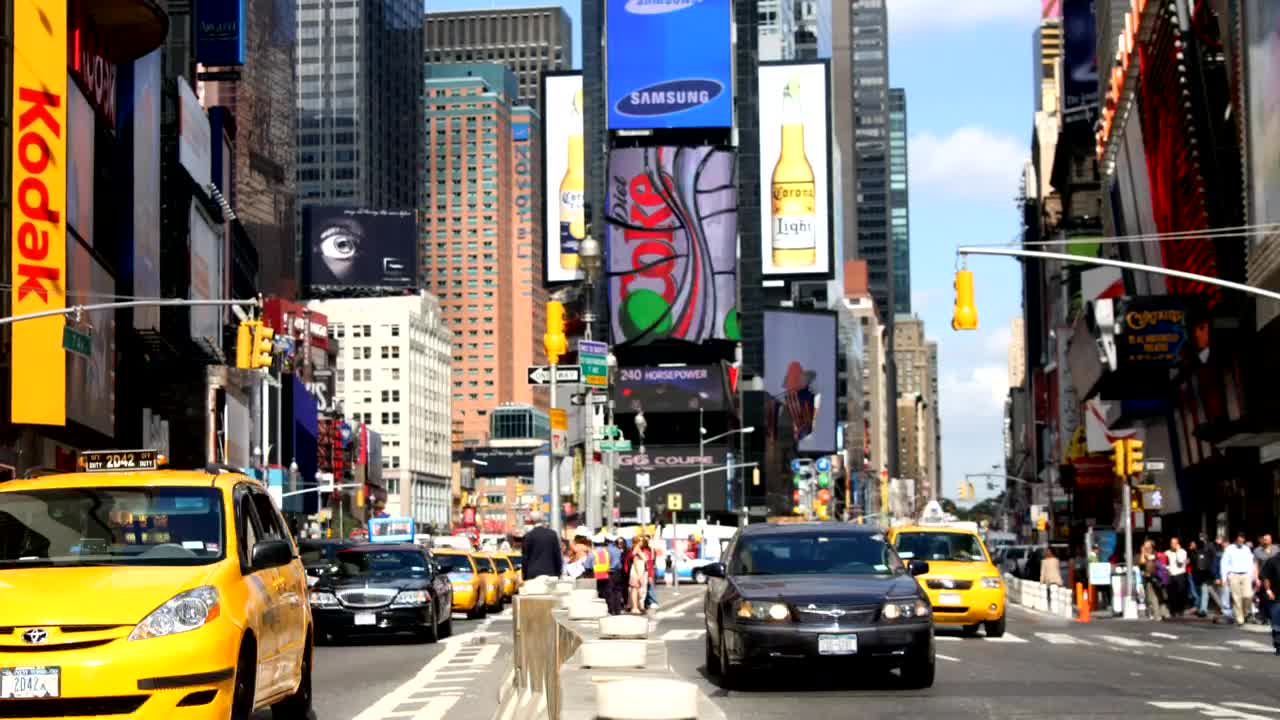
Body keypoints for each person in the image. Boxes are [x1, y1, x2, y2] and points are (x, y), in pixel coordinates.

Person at [1221, 532, 1255, 626]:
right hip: (1234, 575)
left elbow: (1250, 562)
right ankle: (1240, 619)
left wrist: (1250, 575)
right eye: (1239, 539)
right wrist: (1224, 577)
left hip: (1245, 575)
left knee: (1247, 596)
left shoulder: (1246, 549)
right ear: (1236, 539)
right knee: (1236, 598)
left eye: (1242, 539)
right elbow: (1224, 563)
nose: (1241, 541)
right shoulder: (1229, 548)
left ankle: (1244, 613)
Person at [520, 511, 563, 581]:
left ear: (531, 521)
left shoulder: (528, 536)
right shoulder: (552, 534)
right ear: (542, 520)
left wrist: (524, 574)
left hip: (533, 575)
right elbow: (557, 555)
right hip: (550, 573)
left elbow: (525, 558)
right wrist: (558, 573)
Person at [1260, 547, 1280, 656]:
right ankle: (1278, 645)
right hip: (1276, 596)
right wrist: (1268, 591)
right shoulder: (1273, 561)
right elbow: (1265, 577)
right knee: (1277, 623)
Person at [1165, 537, 1189, 616]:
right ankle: (1173, 610)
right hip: (1171, 575)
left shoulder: (1183, 552)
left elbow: (1180, 562)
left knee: (1180, 593)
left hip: (1180, 575)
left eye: (1175, 543)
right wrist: (1167, 570)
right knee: (1171, 594)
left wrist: (1178, 551)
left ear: (1178, 544)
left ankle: (1180, 609)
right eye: (1172, 543)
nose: (1173, 545)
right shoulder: (1167, 552)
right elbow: (1165, 564)